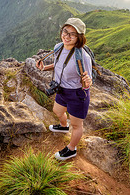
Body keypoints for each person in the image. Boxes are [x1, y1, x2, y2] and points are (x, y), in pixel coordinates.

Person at [36, 18, 93, 160]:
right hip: (61, 89)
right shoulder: (58, 47)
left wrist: (87, 82)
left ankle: (71, 149)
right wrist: (45, 68)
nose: (66, 36)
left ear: (79, 37)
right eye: (65, 32)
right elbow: (59, 65)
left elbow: (88, 82)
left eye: (72, 34)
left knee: (76, 124)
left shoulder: (83, 57)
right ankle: (63, 126)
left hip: (77, 94)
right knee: (57, 111)